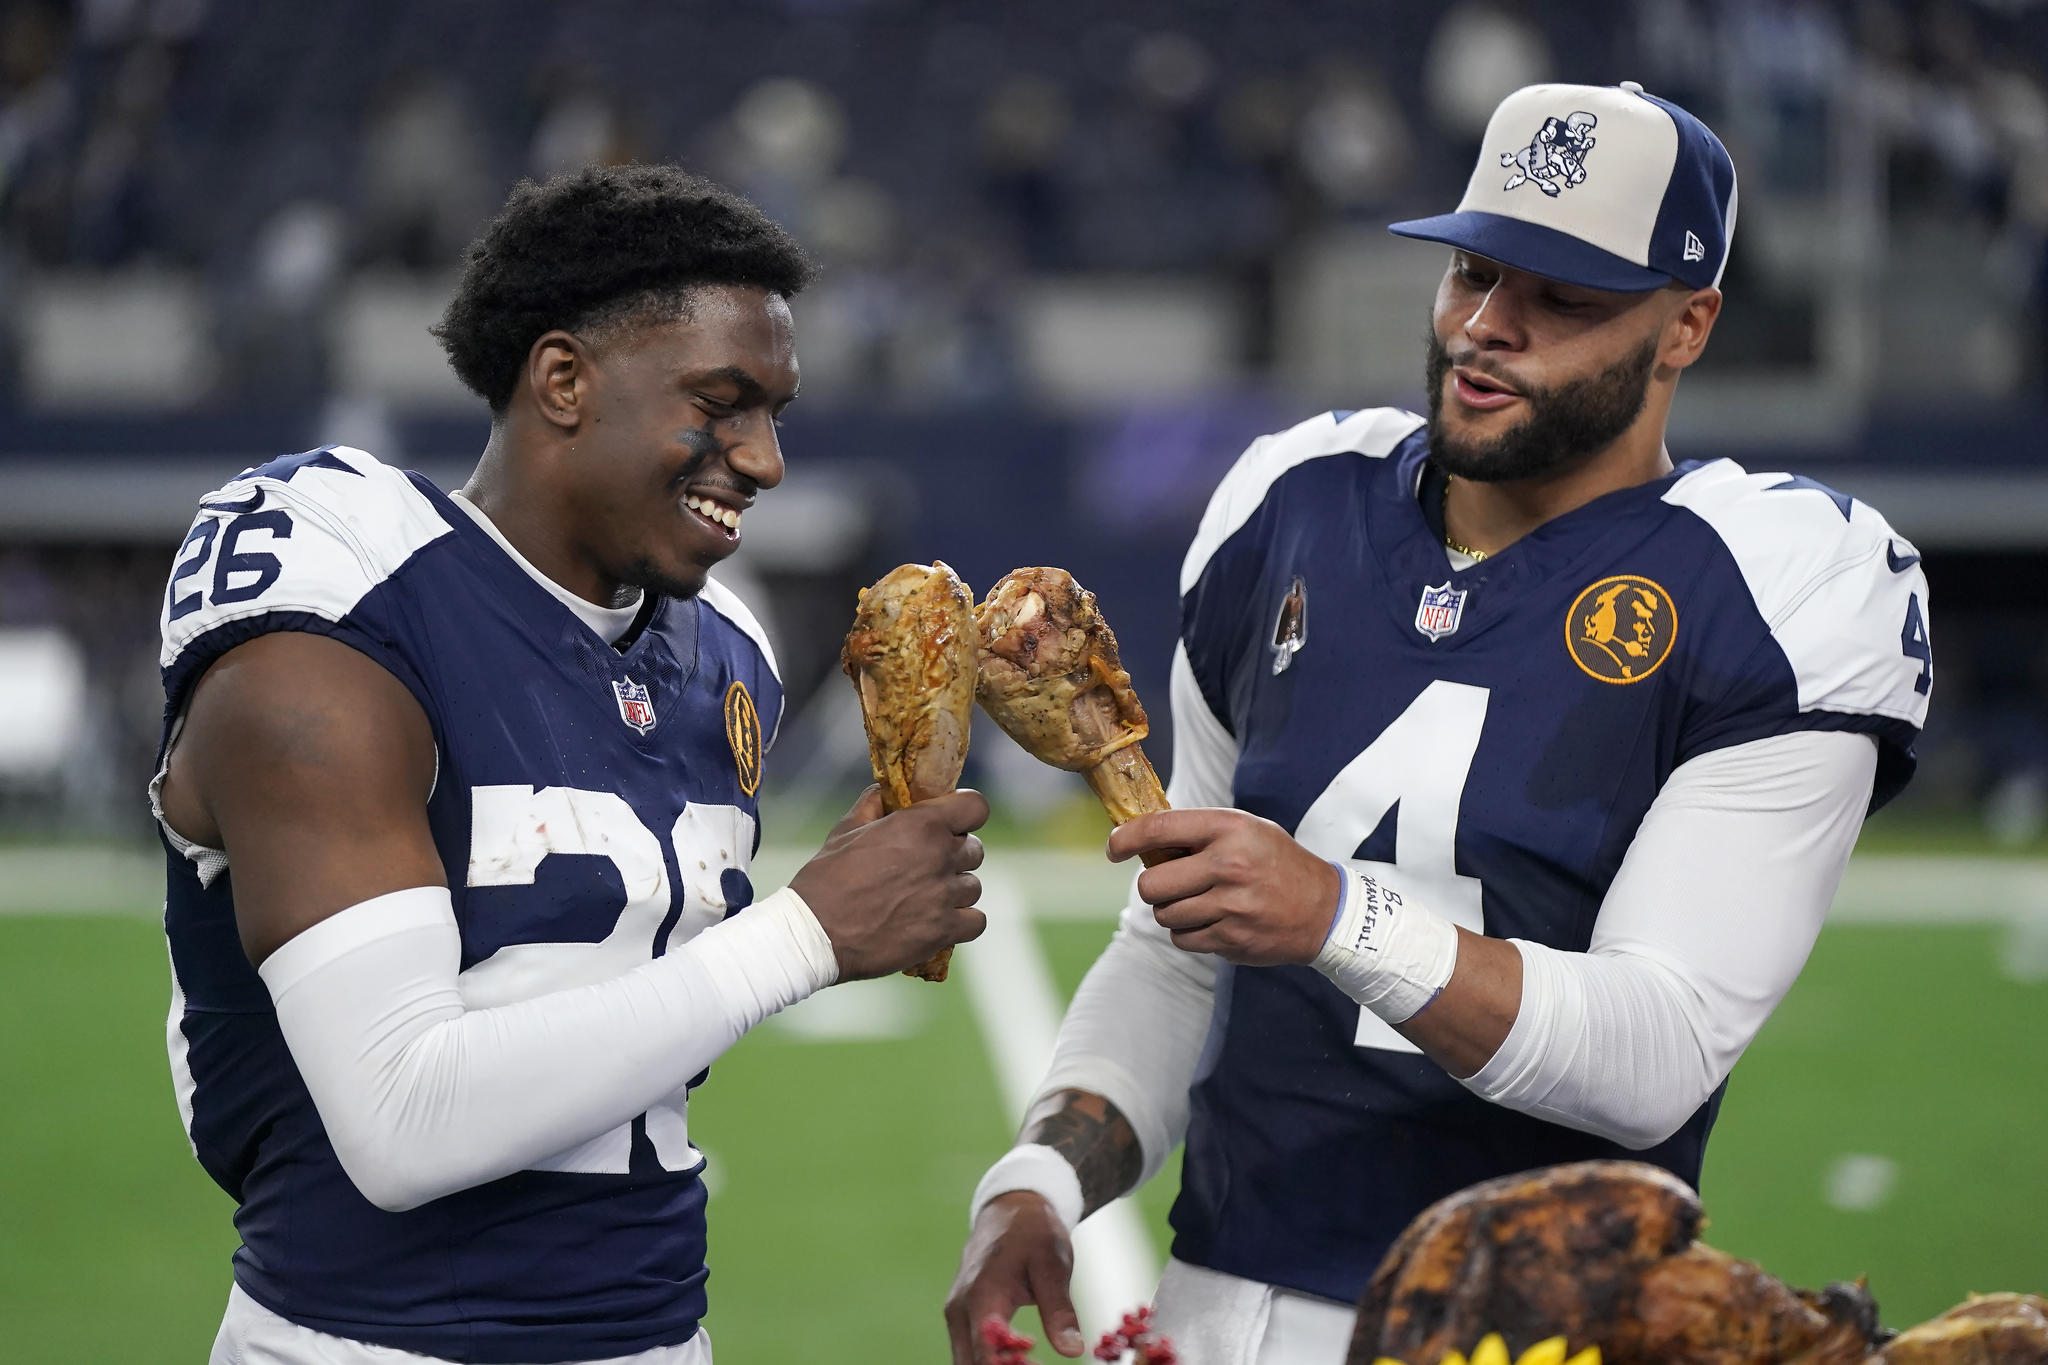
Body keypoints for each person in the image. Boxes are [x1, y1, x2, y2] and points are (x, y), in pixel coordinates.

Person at [947, 82, 1933, 1365]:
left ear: (1685, 326)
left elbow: (1659, 1051)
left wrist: (1333, 915)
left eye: (1560, 298)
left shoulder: (1775, 581)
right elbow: (1177, 943)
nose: (1484, 326)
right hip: (1214, 1302)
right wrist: (1037, 1177)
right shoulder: (1291, 502)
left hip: (1528, 1335)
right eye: (1472, 271)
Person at [154, 164, 988, 1365]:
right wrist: (803, 936)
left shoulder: (724, 649)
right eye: (722, 401)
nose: (763, 460)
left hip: (653, 1334)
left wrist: (835, 907)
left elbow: (614, 1017)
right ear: (562, 379)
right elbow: (401, 1121)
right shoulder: (344, 608)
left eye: (776, 414)